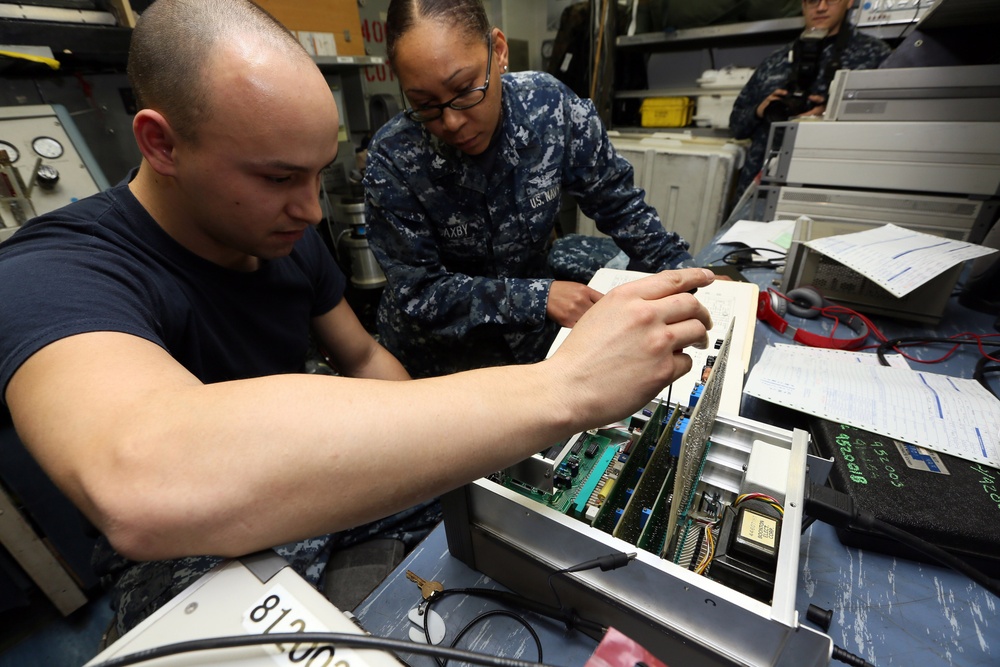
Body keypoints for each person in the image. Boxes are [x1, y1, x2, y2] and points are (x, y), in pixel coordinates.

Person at [0, 0, 715, 642]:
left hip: (315, 481)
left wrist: (462, 442)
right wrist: (562, 389)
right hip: (190, 539)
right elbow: (143, 479)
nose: (313, 211)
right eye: (280, 178)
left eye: (319, 173)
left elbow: (368, 361)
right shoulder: (55, 273)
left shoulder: (284, 235)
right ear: (161, 144)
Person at [363, 0, 696, 379]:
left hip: (532, 346)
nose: (452, 121)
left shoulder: (549, 106)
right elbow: (419, 291)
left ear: (499, 51)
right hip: (441, 363)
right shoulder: (393, 158)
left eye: (465, 89)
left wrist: (688, 274)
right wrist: (538, 297)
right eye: (425, 104)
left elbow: (619, 204)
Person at [729, 0, 891, 195]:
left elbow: (889, 131)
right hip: (761, 192)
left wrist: (830, 114)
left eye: (830, 0)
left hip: (830, 191)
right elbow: (736, 127)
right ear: (803, 5)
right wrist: (760, 109)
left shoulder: (874, 56)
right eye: (813, 0)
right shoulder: (776, 60)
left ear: (849, 2)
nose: (821, 7)